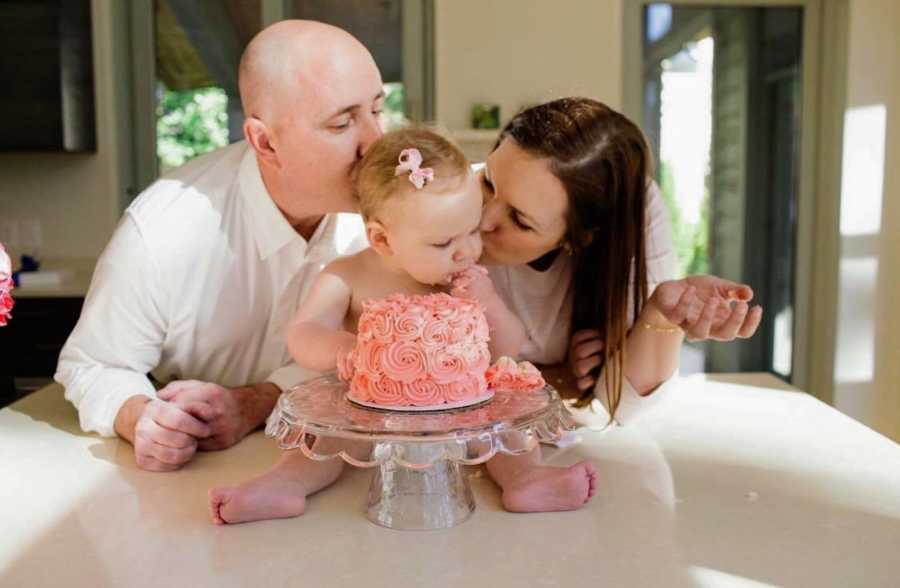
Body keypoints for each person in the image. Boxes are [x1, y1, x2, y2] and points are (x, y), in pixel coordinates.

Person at [207, 128, 598, 524]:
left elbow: (508, 348)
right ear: (382, 240)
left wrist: (489, 304)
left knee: (506, 430)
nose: (467, 250)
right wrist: (346, 350)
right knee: (316, 443)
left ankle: (526, 480)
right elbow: (303, 332)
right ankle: (283, 486)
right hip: (367, 413)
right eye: (444, 242)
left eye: (471, 230)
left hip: (458, 410)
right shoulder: (347, 275)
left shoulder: (464, 278)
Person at [54, 21, 384, 471]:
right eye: (343, 122)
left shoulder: (389, 222)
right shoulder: (164, 230)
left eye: (378, 111)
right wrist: (142, 418)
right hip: (190, 487)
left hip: (331, 471)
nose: (376, 143)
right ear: (265, 142)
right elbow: (94, 365)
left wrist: (256, 402)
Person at [477, 97, 763, 421]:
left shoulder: (631, 210)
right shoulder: (440, 202)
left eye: (519, 219)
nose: (482, 219)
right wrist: (557, 374)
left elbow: (621, 406)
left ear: (581, 237)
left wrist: (662, 316)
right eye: (487, 181)